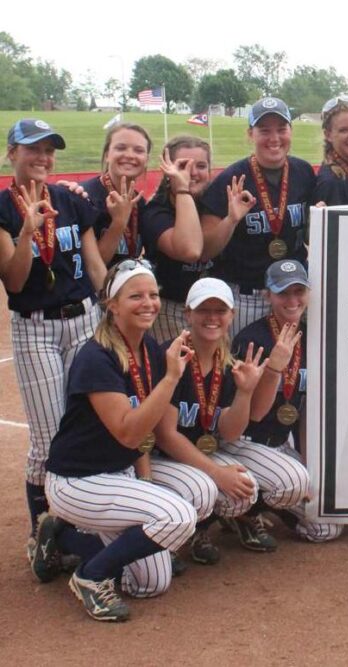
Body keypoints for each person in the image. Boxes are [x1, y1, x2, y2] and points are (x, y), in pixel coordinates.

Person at [42, 260, 199, 621]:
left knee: (150, 583)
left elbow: (143, 438)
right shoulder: (96, 357)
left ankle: (64, 536)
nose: (149, 303)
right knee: (178, 516)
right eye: (136, 296)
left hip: (117, 474)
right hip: (77, 480)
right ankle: (90, 577)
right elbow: (129, 431)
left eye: (154, 295)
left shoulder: (150, 352)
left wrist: (144, 483)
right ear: (112, 305)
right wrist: (171, 380)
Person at [0, 119, 108, 573]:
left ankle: (80, 528)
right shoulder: (2, 208)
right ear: (11, 155)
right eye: (32, 150)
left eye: (49, 150)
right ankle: (42, 531)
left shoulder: (69, 199)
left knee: (88, 426)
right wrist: (26, 231)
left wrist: (116, 309)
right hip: (37, 326)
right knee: (48, 440)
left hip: (84, 320)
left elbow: (95, 266)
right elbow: (16, 279)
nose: (42, 158)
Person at [148, 277, 305, 561]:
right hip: (160, 456)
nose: (212, 318)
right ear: (188, 314)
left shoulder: (227, 361)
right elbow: (165, 436)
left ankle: (209, 525)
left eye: (220, 311)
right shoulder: (173, 355)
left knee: (244, 492)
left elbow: (230, 433)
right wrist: (217, 473)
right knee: (203, 490)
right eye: (203, 310)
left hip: (202, 449)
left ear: (232, 315)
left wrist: (245, 392)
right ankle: (181, 533)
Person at [233, 260, 341, 542]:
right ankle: (241, 511)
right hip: (245, 442)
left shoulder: (312, 338)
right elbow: (254, 415)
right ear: (268, 295)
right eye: (283, 292)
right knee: (292, 483)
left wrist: (310, 466)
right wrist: (274, 369)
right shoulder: (252, 340)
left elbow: (306, 413)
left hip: (281, 444)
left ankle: (267, 505)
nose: (292, 300)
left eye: (299, 291)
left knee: (326, 527)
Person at [200, 97, 317, 336]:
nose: (274, 138)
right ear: (250, 134)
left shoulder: (303, 172)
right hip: (247, 297)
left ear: (291, 132)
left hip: (292, 295)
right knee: (245, 366)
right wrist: (231, 220)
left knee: (296, 367)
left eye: (281, 129)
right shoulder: (231, 179)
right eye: (264, 130)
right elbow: (205, 250)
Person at [142, 135, 208, 342]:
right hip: (171, 309)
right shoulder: (155, 211)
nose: (193, 173)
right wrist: (182, 188)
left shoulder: (213, 202)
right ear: (167, 170)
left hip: (211, 305)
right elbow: (190, 251)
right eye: (183, 166)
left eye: (201, 165)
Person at [81, 122, 151, 266]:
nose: (130, 155)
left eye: (139, 150)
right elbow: (90, 267)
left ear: (146, 160)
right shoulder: (84, 197)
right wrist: (119, 222)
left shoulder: (141, 203)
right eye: (121, 148)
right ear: (107, 155)